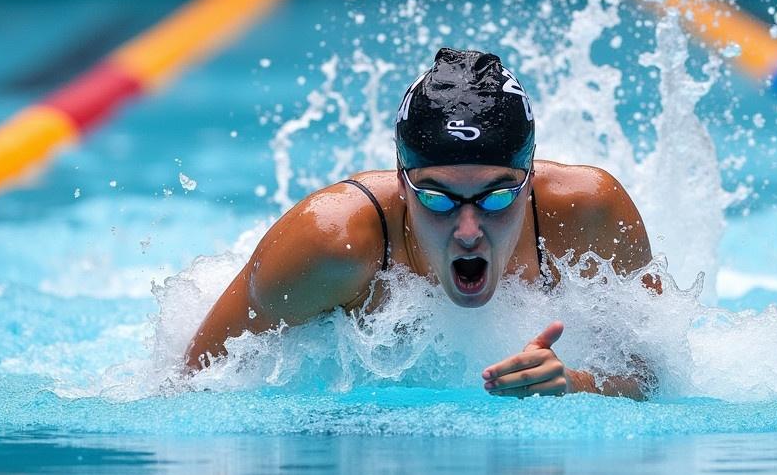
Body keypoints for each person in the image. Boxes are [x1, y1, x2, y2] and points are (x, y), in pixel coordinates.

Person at [185, 48, 660, 398]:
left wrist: (577, 385)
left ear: (531, 176)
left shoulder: (590, 216)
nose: (469, 229)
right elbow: (191, 387)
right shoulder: (330, 247)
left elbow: (655, 378)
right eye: (436, 198)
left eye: (496, 198)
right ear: (400, 180)